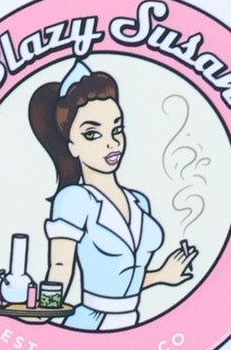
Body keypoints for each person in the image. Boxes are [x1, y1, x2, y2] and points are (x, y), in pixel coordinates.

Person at [29, 59, 196, 329]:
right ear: (72, 145)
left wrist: (162, 275)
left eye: (116, 130)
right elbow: (60, 267)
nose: (111, 142)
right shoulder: (74, 200)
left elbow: (122, 278)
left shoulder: (139, 202)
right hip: (91, 323)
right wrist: (43, 312)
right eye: (93, 134)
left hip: (131, 321)